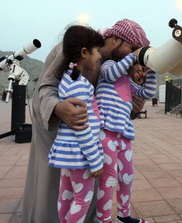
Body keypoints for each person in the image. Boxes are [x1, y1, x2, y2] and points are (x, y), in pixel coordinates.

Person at [22, 18, 150, 223]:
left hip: (86, 135)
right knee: (52, 186)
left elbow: (119, 105)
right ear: (116, 40)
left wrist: (135, 102)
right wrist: (58, 107)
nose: (133, 55)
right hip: (56, 127)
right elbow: (46, 87)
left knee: (85, 189)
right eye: (132, 48)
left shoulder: (116, 65)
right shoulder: (75, 48)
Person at [47, 25, 105, 223]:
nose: (99, 56)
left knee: (66, 195)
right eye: (97, 50)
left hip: (68, 154)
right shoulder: (78, 85)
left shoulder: (68, 80)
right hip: (79, 155)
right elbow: (81, 128)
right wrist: (95, 160)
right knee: (82, 198)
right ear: (84, 52)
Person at [95, 45, 156, 223]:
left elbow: (148, 92)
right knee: (108, 180)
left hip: (124, 136)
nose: (140, 70)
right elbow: (110, 74)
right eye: (139, 67)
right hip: (106, 133)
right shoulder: (108, 66)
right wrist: (133, 56)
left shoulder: (129, 82)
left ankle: (124, 215)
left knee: (127, 176)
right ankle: (104, 219)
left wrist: (152, 70)